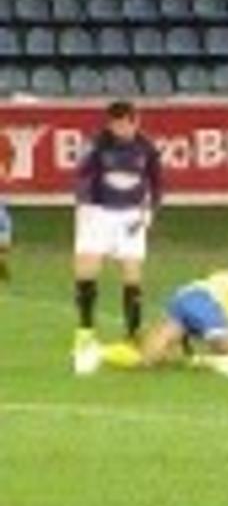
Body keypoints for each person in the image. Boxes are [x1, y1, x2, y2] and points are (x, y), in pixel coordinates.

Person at [72, 100, 163, 374]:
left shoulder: (147, 148)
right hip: (99, 212)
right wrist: (84, 205)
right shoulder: (97, 144)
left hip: (131, 216)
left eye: (124, 123)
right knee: (87, 270)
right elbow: (82, 176)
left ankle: (132, 335)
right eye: (114, 123)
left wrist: (150, 211)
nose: (119, 128)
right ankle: (85, 333)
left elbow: (157, 182)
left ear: (136, 122)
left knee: (132, 274)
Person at [94, 255, 228, 379]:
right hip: (209, 303)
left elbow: (192, 320)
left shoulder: (221, 276)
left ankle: (99, 353)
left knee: (147, 358)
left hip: (184, 296)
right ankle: (198, 363)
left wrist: (185, 345)